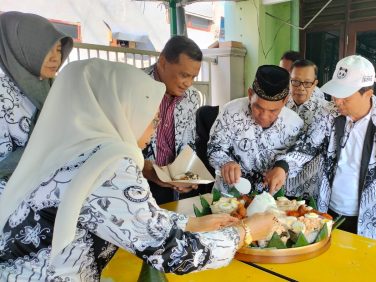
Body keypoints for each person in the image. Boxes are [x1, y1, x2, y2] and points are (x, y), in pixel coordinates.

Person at [0, 59, 275, 280]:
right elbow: (170, 253)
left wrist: (190, 222)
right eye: (151, 119)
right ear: (122, 111)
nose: (153, 130)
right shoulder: (108, 165)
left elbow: (136, 219)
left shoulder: (70, 145)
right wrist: (246, 232)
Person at [266, 55, 376, 245]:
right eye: (336, 94)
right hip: (327, 212)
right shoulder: (329, 113)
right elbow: (307, 146)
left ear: (368, 93)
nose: (337, 101)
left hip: (371, 222)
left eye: (345, 97)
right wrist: (283, 166)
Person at [0, 11, 73, 187]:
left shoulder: (57, 87)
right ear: (19, 48)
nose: (56, 58)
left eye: (58, 49)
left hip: (61, 179)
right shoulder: (3, 96)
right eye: (46, 50)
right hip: (17, 195)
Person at [208, 65, 303, 193]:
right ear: (250, 94)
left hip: (272, 201)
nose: (263, 116)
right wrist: (226, 163)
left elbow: (298, 158)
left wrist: (283, 167)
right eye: (257, 107)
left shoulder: (294, 123)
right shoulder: (230, 112)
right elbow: (214, 147)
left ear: (285, 100)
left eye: (273, 111)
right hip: (229, 197)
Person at [141, 36, 203, 204]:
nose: (188, 83)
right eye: (184, 75)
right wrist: (150, 171)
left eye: (193, 77)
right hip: (138, 180)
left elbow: (188, 142)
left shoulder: (192, 97)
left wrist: (188, 174)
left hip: (172, 185)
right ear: (162, 61)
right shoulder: (136, 85)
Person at [285, 59, 334, 197]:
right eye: (295, 81)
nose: (300, 87)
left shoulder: (326, 111)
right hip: (279, 183)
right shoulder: (278, 106)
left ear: (315, 84)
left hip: (309, 188)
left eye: (307, 83)